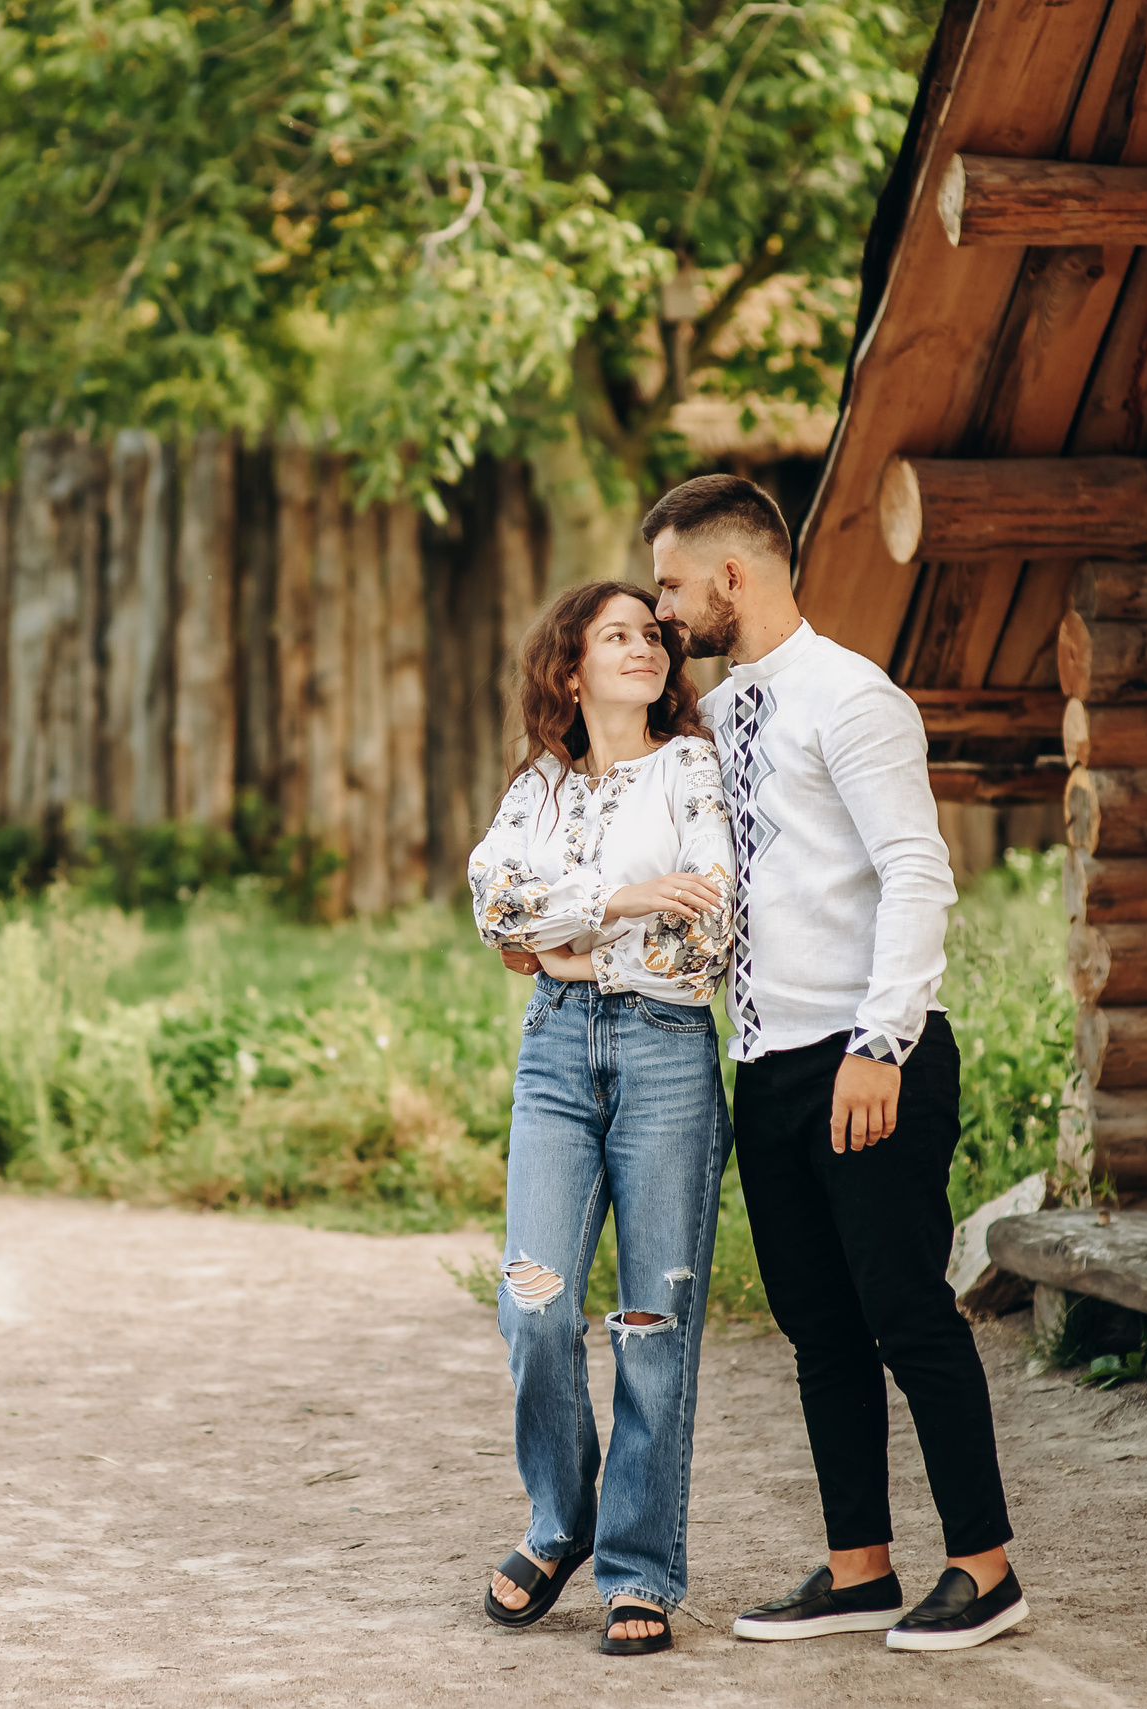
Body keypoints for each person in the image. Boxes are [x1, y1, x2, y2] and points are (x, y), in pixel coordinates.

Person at [645, 474, 1028, 1653]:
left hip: (868, 1058)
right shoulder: (712, 718)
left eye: (668, 583)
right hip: (765, 1063)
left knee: (908, 1312)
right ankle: (859, 1564)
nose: (661, 609)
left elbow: (917, 871)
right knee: (817, 1327)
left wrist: (880, 1044)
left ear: (730, 575)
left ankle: (986, 1566)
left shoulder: (853, 698)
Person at [466, 579, 737, 1658]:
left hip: (666, 1052)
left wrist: (561, 928)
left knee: (650, 1327)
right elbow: (492, 905)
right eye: (615, 635)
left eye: (651, 635)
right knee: (533, 1304)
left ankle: (636, 1565)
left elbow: (701, 934)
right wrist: (621, 901)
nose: (643, 647)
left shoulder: (692, 771)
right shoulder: (536, 784)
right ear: (570, 671)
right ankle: (558, 1518)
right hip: (554, 1051)